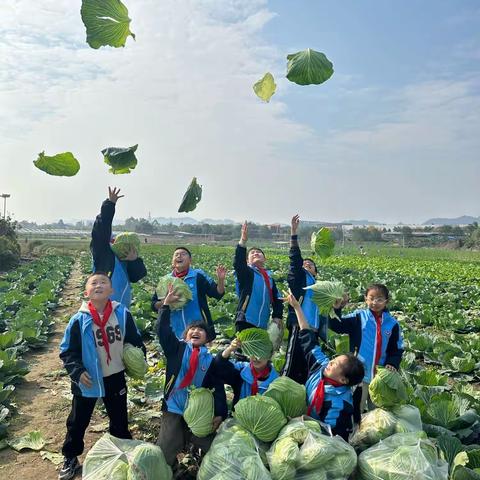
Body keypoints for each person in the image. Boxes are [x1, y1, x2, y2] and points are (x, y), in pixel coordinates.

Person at [58, 272, 145, 480]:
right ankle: (70, 456)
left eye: (104, 282)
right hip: (88, 379)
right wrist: (77, 372)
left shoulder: (122, 314)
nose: (99, 285)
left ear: (111, 290)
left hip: (115, 375)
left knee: (119, 419)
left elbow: (134, 341)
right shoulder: (79, 320)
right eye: (93, 283)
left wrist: (137, 358)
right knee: (78, 420)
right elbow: (67, 351)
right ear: (86, 292)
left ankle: (121, 454)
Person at [156, 284, 227, 467]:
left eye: (200, 330)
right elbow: (163, 331)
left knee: (211, 445)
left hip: (198, 411)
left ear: (207, 339)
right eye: (192, 330)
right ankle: (170, 469)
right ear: (186, 335)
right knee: (166, 448)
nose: (196, 331)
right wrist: (165, 306)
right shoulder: (176, 349)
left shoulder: (210, 360)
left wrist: (220, 413)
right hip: (174, 405)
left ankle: (200, 458)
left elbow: (218, 388)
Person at [285, 291, 364, 441]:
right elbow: (307, 337)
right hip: (304, 427)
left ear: (343, 380)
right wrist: (297, 307)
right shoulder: (321, 366)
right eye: (334, 359)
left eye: (337, 364)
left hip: (323, 441)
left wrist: (301, 423)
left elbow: (331, 434)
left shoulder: (340, 404)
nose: (331, 362)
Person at [329, 283, 404, 421]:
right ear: (365, 299)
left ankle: (372, 438)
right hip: (359, 375)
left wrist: (392, 363)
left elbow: (397, 349)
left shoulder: (392, 324)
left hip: (380, 377)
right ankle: (353, 434)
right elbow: (337, 326)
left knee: (377, 414)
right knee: (356, 408)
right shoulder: (358, 317)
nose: (375, 302)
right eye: (371, 298)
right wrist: (336, 308)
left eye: (380, 299)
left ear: (387, 301)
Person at [283, 214, 328, 385]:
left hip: (315, 330)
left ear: (316, 272)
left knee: (309, 367)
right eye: (305, 264)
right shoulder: (299, 278)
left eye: (311, 265)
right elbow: (295, 260)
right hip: (299, 326)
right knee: (292, 365)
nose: (307, 265)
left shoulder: (320, 287)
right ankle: (283, 392)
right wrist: (293, 233)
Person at [151, 247, 226, 340]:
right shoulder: (165, 280)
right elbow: (154, 305)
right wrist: (166, 302)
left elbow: (217, 293)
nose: (179, 256)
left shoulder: (198, 276)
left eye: (183, 254)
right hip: (174, 330)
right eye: (176, 254)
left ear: (190, 260)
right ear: (172, 261)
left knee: (198, 353)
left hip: (198, 329)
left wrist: (221, 280)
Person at [90, 187, 147, 307]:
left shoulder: (124, 259)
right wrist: (110, 204)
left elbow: (137, 276)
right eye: (112, 240)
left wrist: (134, 261)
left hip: (122, 308)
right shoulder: (103, 254)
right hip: (102, 307)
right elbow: (101, 229)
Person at [234, 221, 283, 332]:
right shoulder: (247, 273)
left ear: (264, 259)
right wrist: (243, 242)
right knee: (243, 349)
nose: (256, 253)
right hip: (245, 320)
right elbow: (238, 263)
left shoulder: (269, 278)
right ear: (247, 261)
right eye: (252, 253)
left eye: (259, 252)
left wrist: (277, 316)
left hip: (262, 323)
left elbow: (277, 299)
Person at [214, 337, 279, 407]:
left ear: (270, 355)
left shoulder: (277, 381)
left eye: (261, 353)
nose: (256, 358)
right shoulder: (241, 370)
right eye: (253, 352)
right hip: (237, 417)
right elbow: (219, 367)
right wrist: (230, 349)